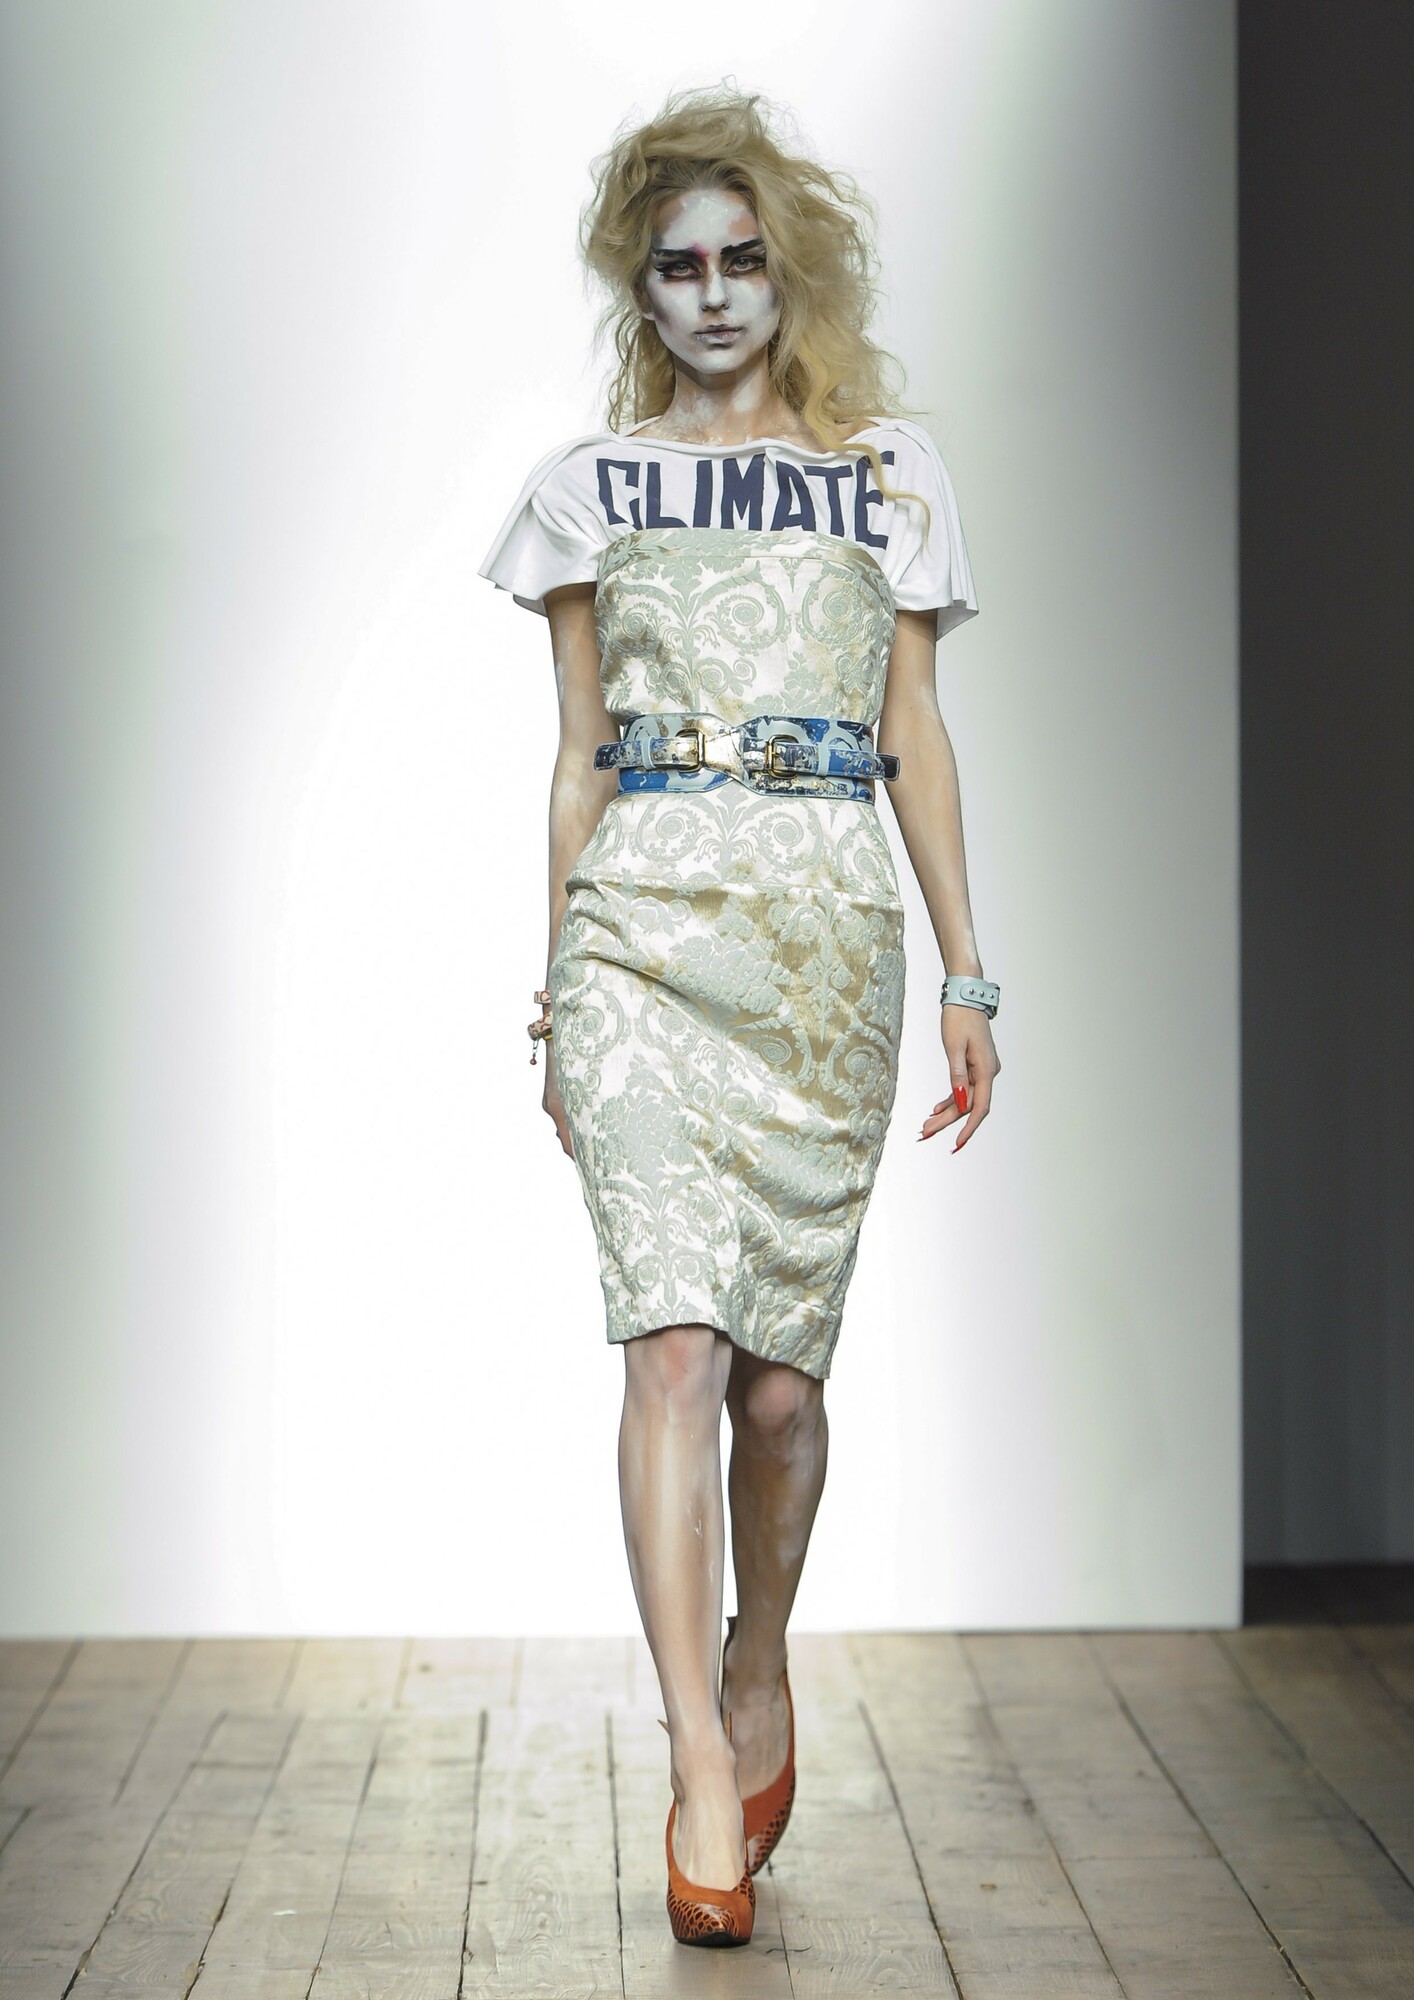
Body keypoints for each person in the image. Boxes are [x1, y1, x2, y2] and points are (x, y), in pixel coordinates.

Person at [479, 84, 1000, 1949]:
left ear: (791, 274)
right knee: (673, 1354)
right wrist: (560, 981)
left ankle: (755, 1657)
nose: (710, 296)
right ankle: (698, 1751)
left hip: (821, 937)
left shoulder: (888, 473)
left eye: (741, 262)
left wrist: (966, 971)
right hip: (639, 936)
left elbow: (914, 728)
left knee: (780, 1392)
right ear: (640, 289)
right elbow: (576, 755)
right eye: (676, 268)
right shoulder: (587, 485)